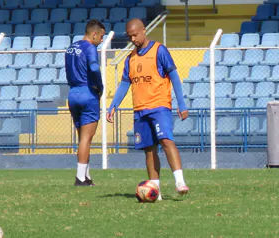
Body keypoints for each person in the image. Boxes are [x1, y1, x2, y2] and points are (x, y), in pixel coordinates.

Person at [107, 19, 190, 197]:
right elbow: (124, 83)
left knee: (166, 140)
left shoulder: (159, 50)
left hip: (159, 106)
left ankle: (180, 181)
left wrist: (181, 104)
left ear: (144, 31)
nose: (133, 39)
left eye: (135, 35)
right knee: (149, 149)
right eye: (130, 36)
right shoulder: (130, 58)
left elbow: (174, 76)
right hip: (140, 110)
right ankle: (155, 190)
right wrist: (113, 105)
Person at [65, 19, 106, 186]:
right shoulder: (90, 48)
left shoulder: (71, 47)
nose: (102, 40)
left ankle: (86, 177)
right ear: (94, 34)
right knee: (86, 139)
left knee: (82, 138)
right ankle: (80, 178)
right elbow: (94, 68)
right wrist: (100, 86)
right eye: (101, 36)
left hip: (73, 93)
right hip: (87, 92)